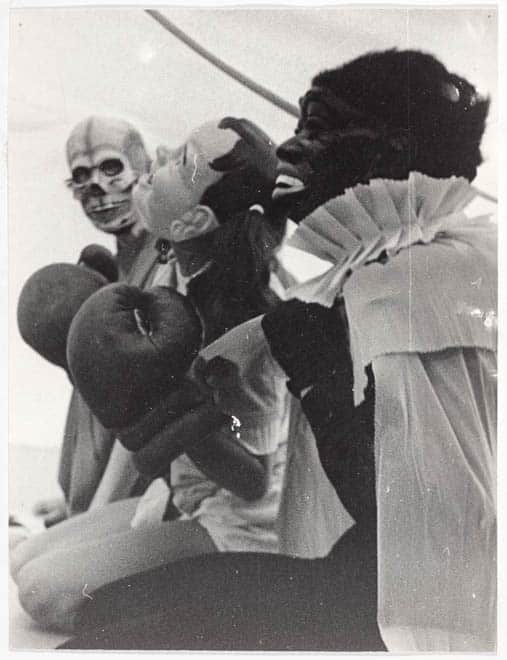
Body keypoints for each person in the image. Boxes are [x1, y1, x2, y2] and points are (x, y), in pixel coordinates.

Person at [63, 49, 496, 653]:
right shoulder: (384, 269)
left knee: (95, 642)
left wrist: (314, 373)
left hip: (419, 613)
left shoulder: (425, 279)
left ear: (390, 153)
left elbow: (431, 523)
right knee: (100, 614)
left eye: (316, 128)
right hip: (365, 567)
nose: (290, 146)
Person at [11, 117, 295, 634]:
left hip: (240, 530)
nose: (161, 155)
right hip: (178, 500)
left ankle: (228, 608)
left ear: (193, 222)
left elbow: (253, 480)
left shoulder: (244, 318)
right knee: (22, 561)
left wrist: (160, 404)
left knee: (42, 593)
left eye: (181, 161)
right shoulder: (177, 272)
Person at [35, 116, 160, 526]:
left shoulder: (169, 255)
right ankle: (80, 499)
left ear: (143, 170)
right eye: (82, 177)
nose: (97, 190)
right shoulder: (118, 261)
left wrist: (95, 513)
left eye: (111, 169)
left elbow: (149, 401)